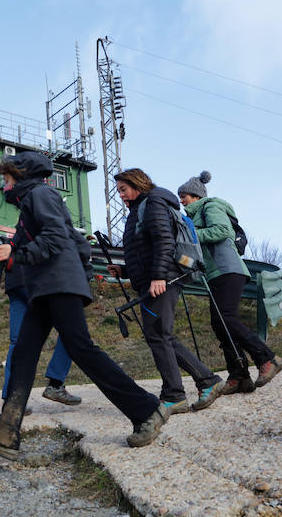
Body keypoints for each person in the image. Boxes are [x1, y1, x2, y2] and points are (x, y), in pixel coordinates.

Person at [0, 152, 167, 458]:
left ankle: (146, 409)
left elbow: (57, 237)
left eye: (6, 179)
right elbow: (74, 243)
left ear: (21, 176)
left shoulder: (40, 194)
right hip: (45, 288)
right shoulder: (31, 204)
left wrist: (17, 255)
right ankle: (6, 432)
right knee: (23, 354)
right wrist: (17, 251)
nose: (3, 185)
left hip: (57, 284)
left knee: (81, 349)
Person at [107, 168, 224, 416]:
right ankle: (206, 381)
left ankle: (175, 395)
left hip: (164, 279)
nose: (121, 196)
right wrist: (125, 270)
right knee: (162, 334)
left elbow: (163, 241)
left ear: (137, 184)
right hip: (156, 278)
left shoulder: (153, 203)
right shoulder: (140, 209)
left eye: (123, 189)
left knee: (158, 335)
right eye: (119, 191)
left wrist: (159, 276)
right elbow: (145, 251)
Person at [177, 171, 282, 393]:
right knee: (220, 324)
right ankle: (239, 376)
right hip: (216, 273)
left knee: (226, 318)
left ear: (196, 196)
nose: (181, 200)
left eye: (184, 196)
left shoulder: (211, 206)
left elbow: (222, 230)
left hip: (228, 269)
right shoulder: (193, 216)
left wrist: (192, 235)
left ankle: (267, 359)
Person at [2, 263, 82, 412]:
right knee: (70, 331)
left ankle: (11, 400)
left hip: (14, 280)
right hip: (38, 278)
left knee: (17, 341)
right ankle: (55, 383)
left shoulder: (15, 238)